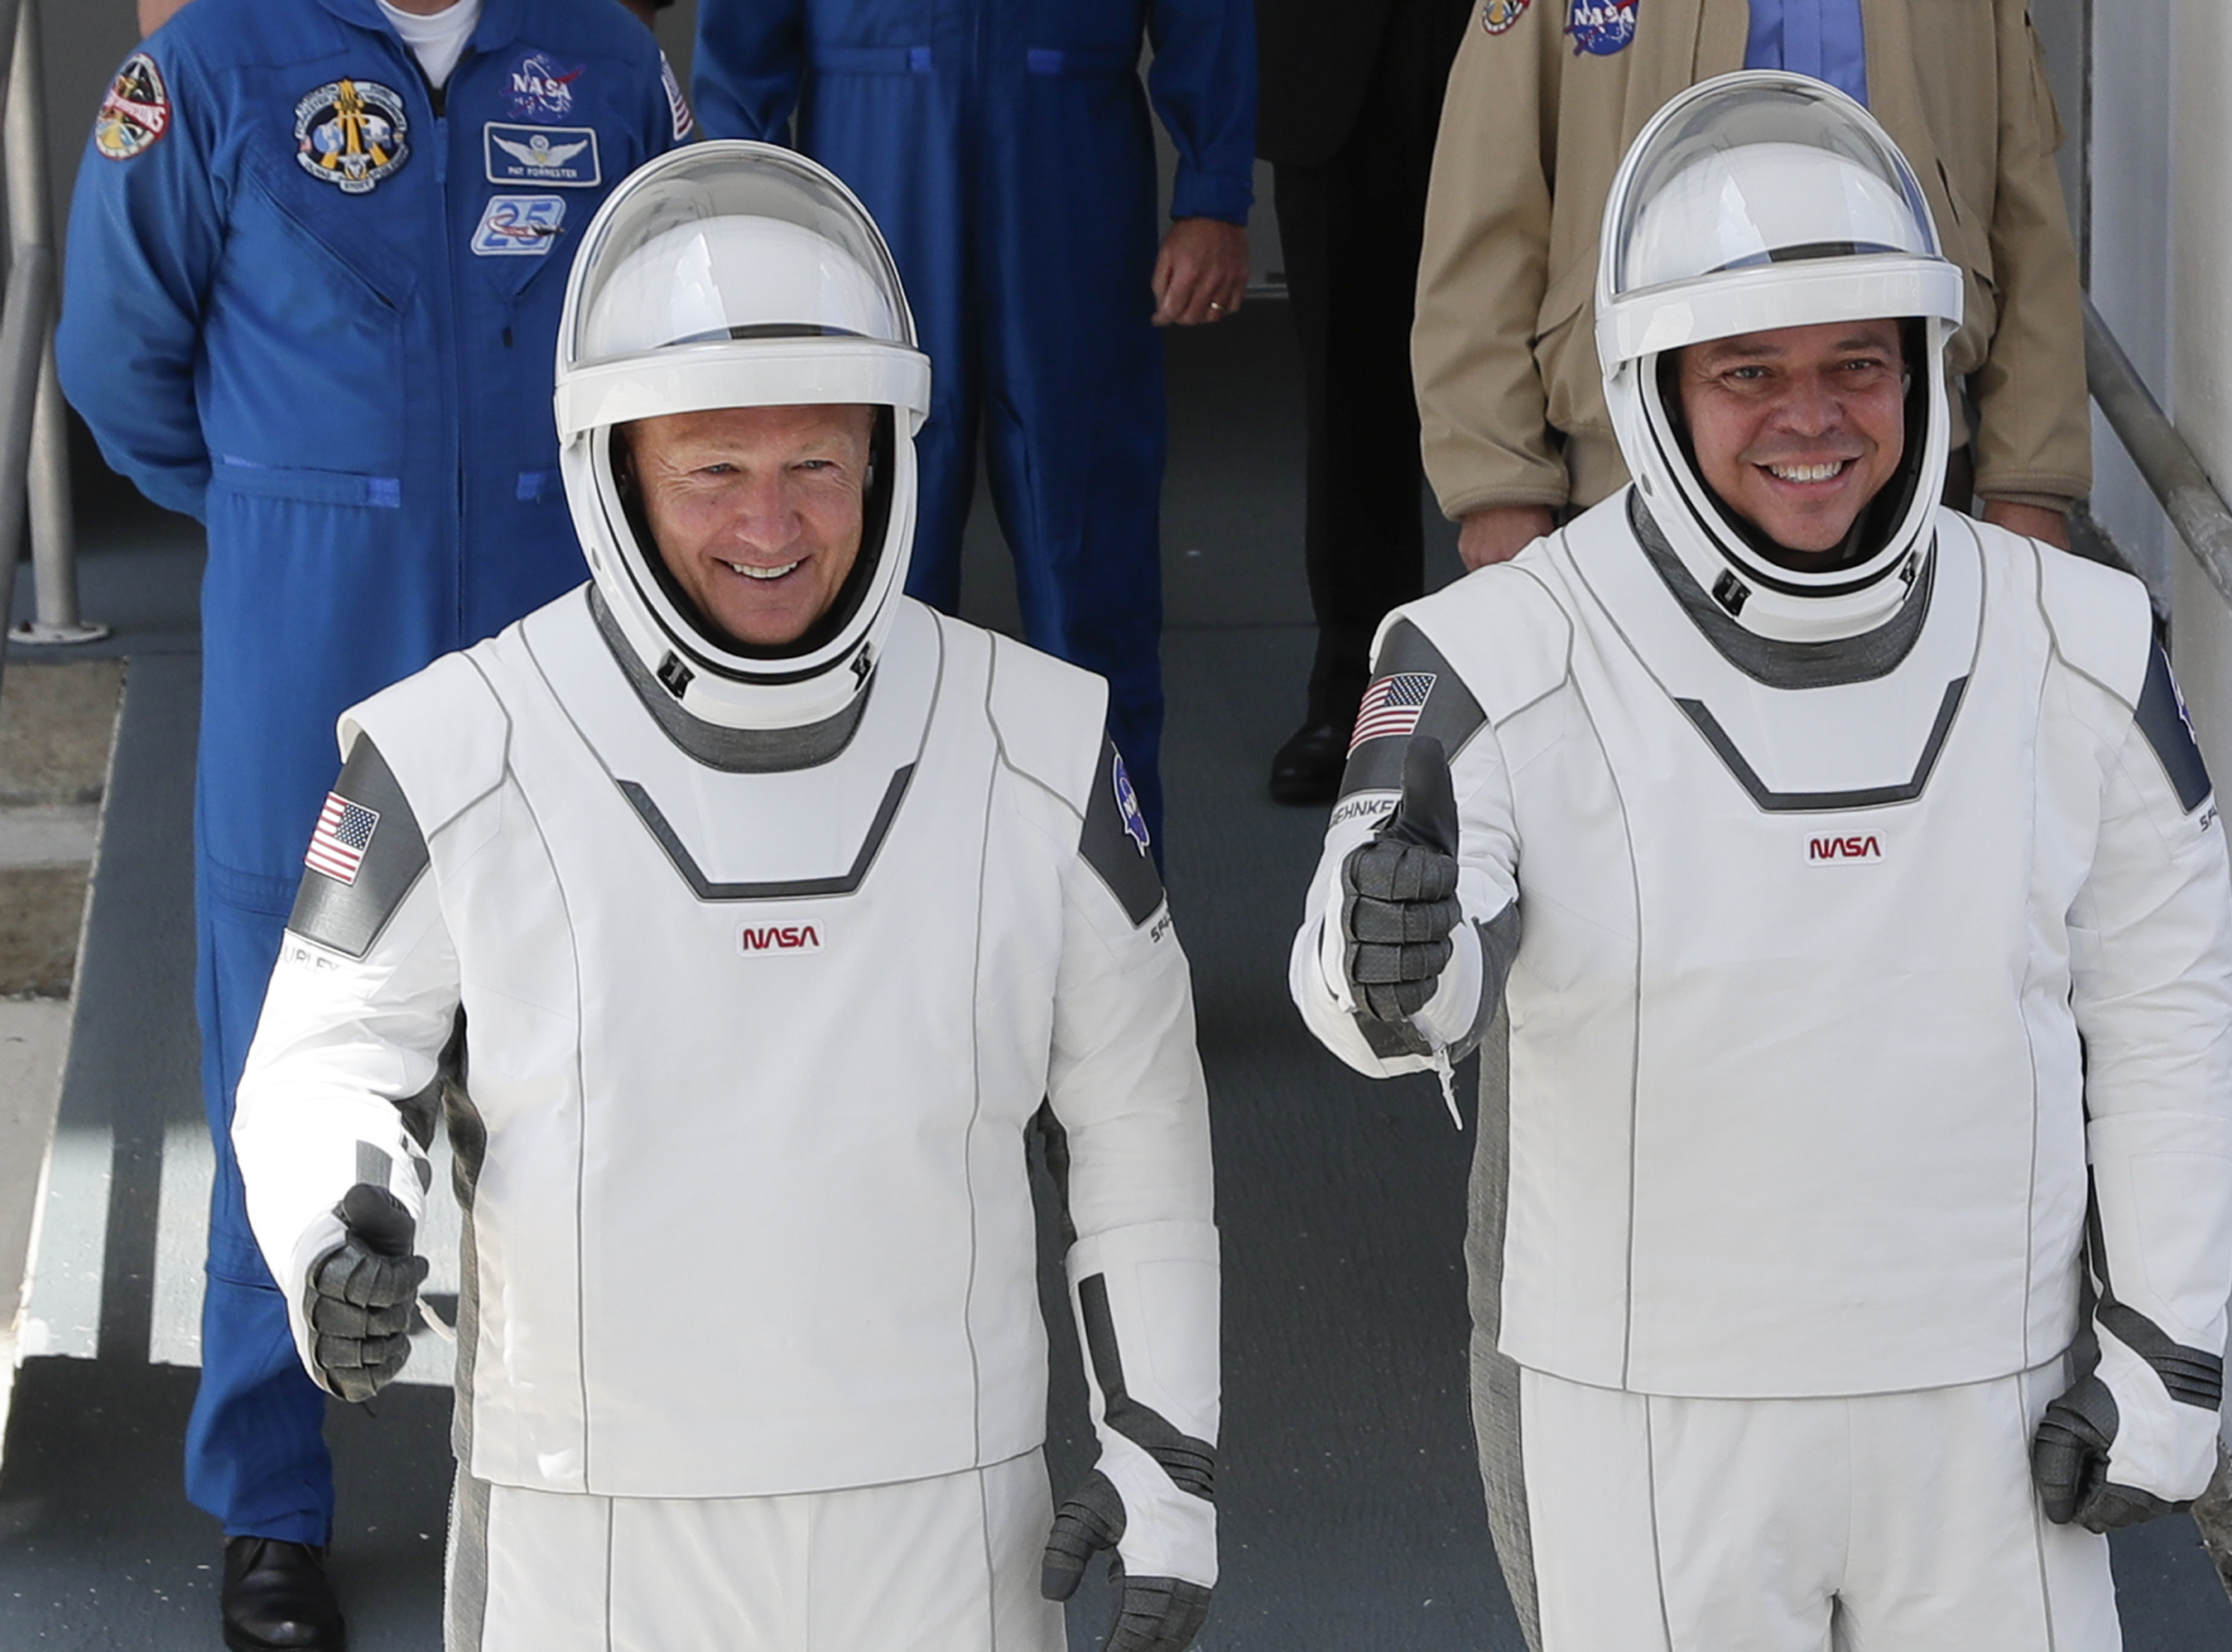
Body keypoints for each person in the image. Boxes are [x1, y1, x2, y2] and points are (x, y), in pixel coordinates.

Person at [228, 143, 1220, 1652]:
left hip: (949, 1505)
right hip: (592, 1511)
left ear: (883, 460)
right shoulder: (445, 749)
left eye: (814, 465)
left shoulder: (1042, 739)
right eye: (714, 473)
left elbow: (1140, 1117)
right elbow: (324, 1056)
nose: (772, 530)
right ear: (614, 465)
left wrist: (1165, 1454)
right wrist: (334, 1229)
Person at [1290, 74, 2232, 1650]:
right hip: (1649, 1408)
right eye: (1749, 374)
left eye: (1856, 365)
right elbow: (1389, 992)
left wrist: (2168, 1353)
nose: (1812, 419)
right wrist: (1391, 957)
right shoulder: (1483, 653)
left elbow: (2167, 1005)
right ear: (1654, 384)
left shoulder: (2081, 637)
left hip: (1992, 1397)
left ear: (1926, 370)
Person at [58, 3, 682, 1645]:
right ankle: (272, 1505)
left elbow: (674, 324)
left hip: (556, 661)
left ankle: (579, 1454)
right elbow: (117, 366)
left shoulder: (605, 61)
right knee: (275, 1074)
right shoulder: (205, 69)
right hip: (308, 665)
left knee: (577, 1066)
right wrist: (294, 501)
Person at [693, 0, 1257, 837]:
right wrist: (742, 201)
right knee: (869, 590)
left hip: (1069, 165)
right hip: (875, 161)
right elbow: (740, 35)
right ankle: (880, 925)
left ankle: (1113, 917)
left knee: (1092, 578)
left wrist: (1214, 188)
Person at [1416, 0, 2091, 574]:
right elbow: (1488, 202)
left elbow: (2023, 207)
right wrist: (1496, 484)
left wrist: (2031, 484)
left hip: (1906, 452)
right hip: (1631, 460)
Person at [1256, 0, 1470, 804]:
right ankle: (1357, 697)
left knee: (1538, 386)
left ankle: (1552, 685)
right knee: (1350, 406)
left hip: (1517, 41)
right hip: (1334, 58)